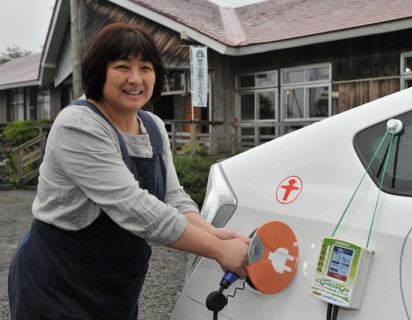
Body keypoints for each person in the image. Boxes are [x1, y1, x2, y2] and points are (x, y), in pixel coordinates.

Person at [8, 22, 249, 319]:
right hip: (59, 280)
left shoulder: (152, 125)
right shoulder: (79, 125)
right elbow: (136, 208)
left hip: (117, 283)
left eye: (146, 68)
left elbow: (173, 197)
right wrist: (218, 250)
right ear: (99, 71)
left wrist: (214, 234)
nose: (135, 79)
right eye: (122, 66)